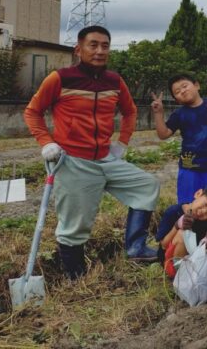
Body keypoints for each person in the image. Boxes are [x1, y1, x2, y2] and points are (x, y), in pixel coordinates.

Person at [23, 25, 161, 278]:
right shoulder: (61, 78)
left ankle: (136, 247)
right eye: (93, 45)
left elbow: (129, 112)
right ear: (79, 49)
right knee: (75, 225)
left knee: (146, 185)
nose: (99, 51)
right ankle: (75, 277)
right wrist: (46, 142)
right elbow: (32, 112)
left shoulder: (114, 81)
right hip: (74, 161)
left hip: (106, 158)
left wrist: (122, 142)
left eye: (105, 46)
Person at [152, 73, 207, 205]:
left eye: (184, 86)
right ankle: (186, 225)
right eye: (177, 91)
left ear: (197, 85)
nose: (182, 91)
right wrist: (158, 113)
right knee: (188, 204)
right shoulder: (179, 114)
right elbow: (163, 134)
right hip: (189, 168)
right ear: (176, 99)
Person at [157, 182, 207, 278]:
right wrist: (176, 226)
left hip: (197, 259)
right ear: (198, 194)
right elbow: (163, 244)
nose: (204, 211)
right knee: (182, 233)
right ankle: (180, 275)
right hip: (171, 262)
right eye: (205, 204)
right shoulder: (173, 212)